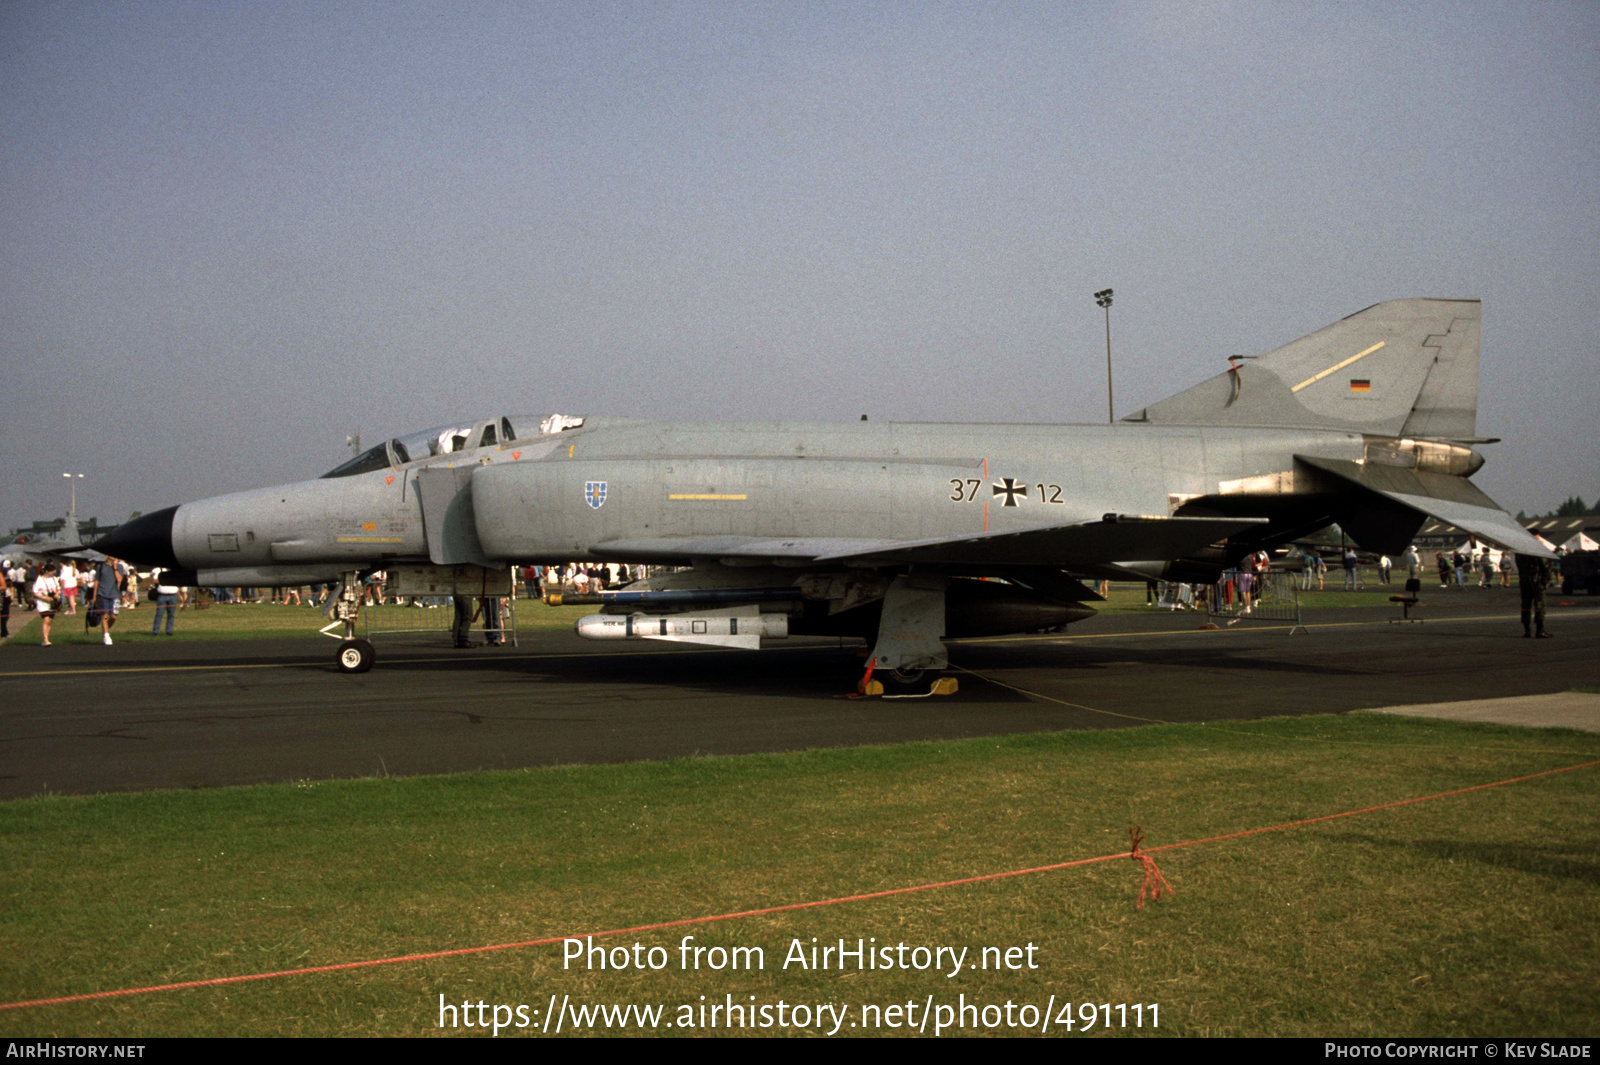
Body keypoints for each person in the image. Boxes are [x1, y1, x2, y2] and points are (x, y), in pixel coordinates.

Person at [1515, 553, 1552, 639]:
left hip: (1525, 582)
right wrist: (1545, 581)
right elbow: (1546, 567)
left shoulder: (1519, 554)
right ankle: (1540, 630)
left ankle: (1527, 631)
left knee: (1525, 606)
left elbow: (1519, 566)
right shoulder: (1536, 552)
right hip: (1537, 582)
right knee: (1540, 606)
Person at [91, 555, 124, 645]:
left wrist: (115, 568)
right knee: (104, 615)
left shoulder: (120, 566)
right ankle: (106, 635)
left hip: (114, 595)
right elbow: (96, 581)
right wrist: (94, 596)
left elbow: (119, 579)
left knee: (113, 616)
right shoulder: (100, 566)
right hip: (102, 594)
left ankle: (105, 631)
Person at [32, 562, 61, 646]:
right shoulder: (39, 580)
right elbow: (34, 592)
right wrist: (44, 598)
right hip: (42, 602)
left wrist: (57, 594)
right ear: (47, 571)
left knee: (49, 621)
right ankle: (45, 639)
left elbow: (58, 588)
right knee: (46, 619)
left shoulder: (54, 579)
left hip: (52, 602)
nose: (53, 573)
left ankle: (46, 638)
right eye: (51, 571)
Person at [150, 567, 180, 635]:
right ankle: (155, 631)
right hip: (162, 595)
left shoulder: (175, 571)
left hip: (173, 595)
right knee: (159, 614)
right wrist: (165, 580)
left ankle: (169, 631)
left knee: (171, 615)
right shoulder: (158, 570)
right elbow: (155, 580)